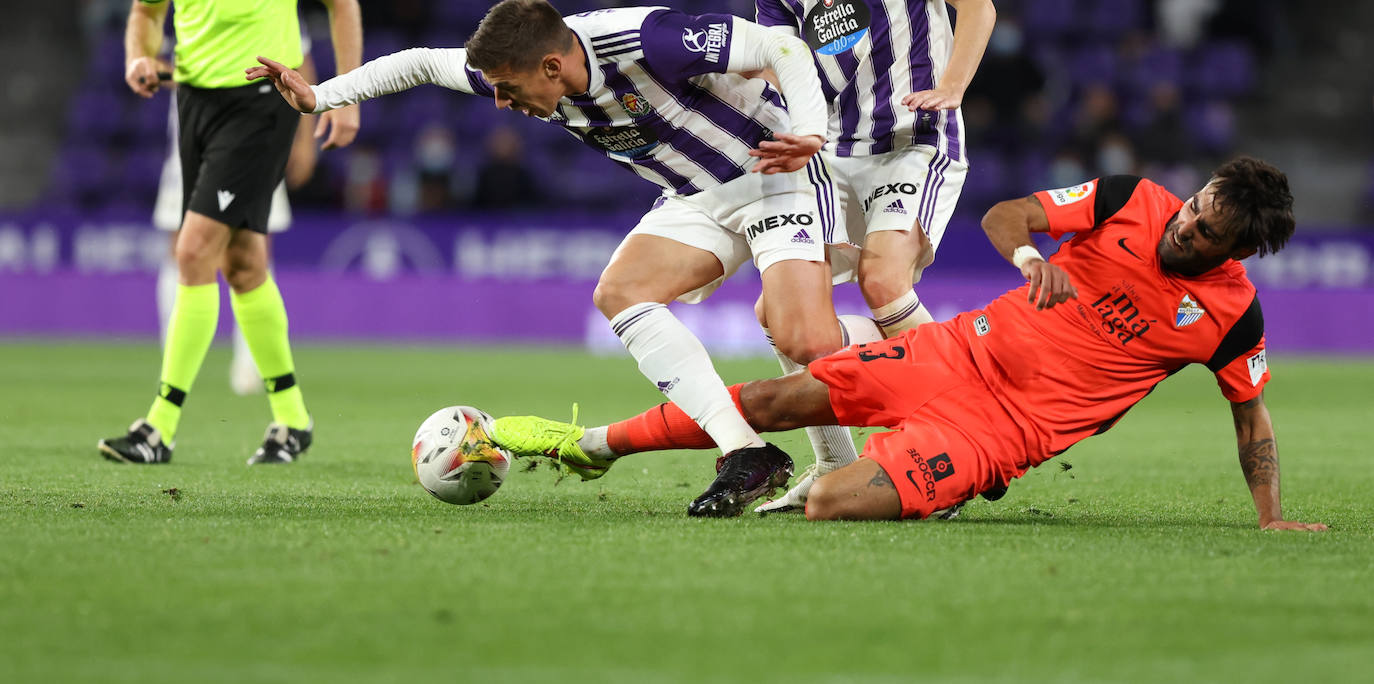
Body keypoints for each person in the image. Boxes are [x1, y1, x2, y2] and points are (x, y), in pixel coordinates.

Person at [249, 0, 869, 516]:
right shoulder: (515, 65)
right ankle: (746, 454)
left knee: (799, 337)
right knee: (620, 293)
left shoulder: (645, 39)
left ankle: (872, 395)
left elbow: (782, 47)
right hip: (696, 194)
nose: (499, 103)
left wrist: (809, 130)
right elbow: (414, 64)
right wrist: (319, 98)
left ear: (550, 65)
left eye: (507, 90)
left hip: (774, 172)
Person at [490, 157, 1328, 531]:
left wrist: (1273, 518)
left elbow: (1252, 420)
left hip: (1000, 431)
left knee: (828, 502)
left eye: (1205, 230)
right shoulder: (1129, 200)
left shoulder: (1232, 315)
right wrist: (1034, 256)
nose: (1184, 224)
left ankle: (938, 479)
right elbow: (1008, 215)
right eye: (1193, 206)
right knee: (780, 398)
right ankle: (591, 446)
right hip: (956, 352)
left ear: (1237, 249)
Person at [724, 0, 999, 508]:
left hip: (914, 142)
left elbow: (976, 3)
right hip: (836, 155)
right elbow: (773, 67)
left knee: (883, 280)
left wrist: (952, 87)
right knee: (781, 313)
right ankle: (834, 461)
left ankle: (965, 435)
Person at [98, 0, 363, 466]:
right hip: (193, 104)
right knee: (244, 265)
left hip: (259, 106)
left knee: (192, 253)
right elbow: (144, 10)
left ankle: (157, 426)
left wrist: (345, 95)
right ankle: (292, 421)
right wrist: (139, 53)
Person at [151, 48, 319, 396]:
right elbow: (147, 58)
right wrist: (188, 76)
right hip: (194, 129)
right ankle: (176, 362)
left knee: (254, 246)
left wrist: (304, 139)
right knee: (182, 248)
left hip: (258, 126)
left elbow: (301, 58)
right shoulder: (169, 0)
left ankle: (252, 364)